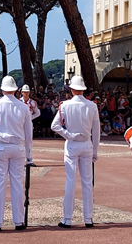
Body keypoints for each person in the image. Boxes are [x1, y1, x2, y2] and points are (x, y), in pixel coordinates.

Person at [0, 75, 33, 232]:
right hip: (18, 148)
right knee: (17, 185)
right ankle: (19, 221)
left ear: (2, 89)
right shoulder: (23, 107)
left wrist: (1, 135)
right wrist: (29, 155)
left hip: (1, 147)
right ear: (16, 90)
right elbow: (29, 134)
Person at [51, 75, 100, 228]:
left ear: (71, 89)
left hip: (72, 144)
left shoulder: (65, 105)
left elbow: (54, 126)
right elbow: (96, 130)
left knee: (70, 181)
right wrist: (95, 151)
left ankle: (67, 218)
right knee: (87, 182)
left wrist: (68, 135)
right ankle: (88, 218)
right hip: (86, 144)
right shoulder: (92, 106)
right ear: (83, 90)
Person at [20, 84, 40, 167]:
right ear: (22, 93)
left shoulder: (32, 103)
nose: (26, 94)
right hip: (20, 123)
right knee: (20, 141)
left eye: (27, 92)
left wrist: (30, 118)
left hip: (28, 123)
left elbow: (38, 113)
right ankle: (21, 159)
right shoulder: (18, 102)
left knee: (28, 141)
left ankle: (29, 159)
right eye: (24, 92)